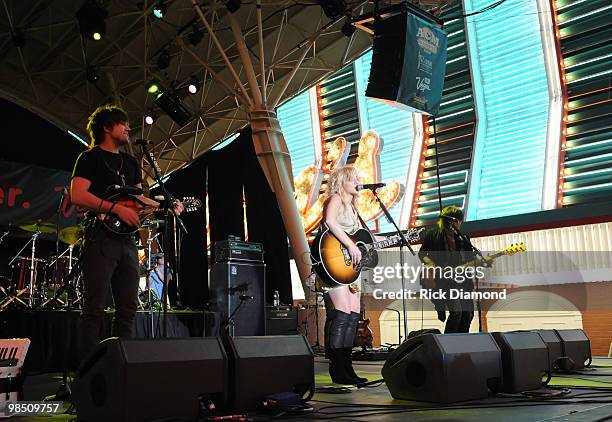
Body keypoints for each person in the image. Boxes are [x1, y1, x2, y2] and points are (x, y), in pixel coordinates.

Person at [71, 104, 181, 362]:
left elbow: (139, 200)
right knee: (94, 307)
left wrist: (167, 205)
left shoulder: (131, 162)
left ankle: (121, 365)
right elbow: (78, 195)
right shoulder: (90, 158)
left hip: (127, 241)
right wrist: (116, 210)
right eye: (123, 124)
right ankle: (88, 369)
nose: (129, 129)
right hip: (99, 236)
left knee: (128, 307)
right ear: (108, 128)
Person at [319, 166, 369, 385]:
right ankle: (336, 367)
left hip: (351, 268)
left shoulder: (354, 209)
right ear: (343, 181)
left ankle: (347, 366)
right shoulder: (336, 198)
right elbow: (330, 222)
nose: (358, 181)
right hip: (335, 264)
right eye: (354, 178)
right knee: (340, 316)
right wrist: (350, 245)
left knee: (352, 317)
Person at [418, 206, 478, 333]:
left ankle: (461, 344)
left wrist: (483, 262)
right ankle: (448, 344)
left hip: (462, 280)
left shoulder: (463, 238)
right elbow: (422, 254)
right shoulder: (433, 235)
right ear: (451, 221)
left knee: (468, 315)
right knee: (457, 313)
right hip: (444, 280)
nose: (459, 223)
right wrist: (431, 264)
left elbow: (469, 258)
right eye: (458, 220)